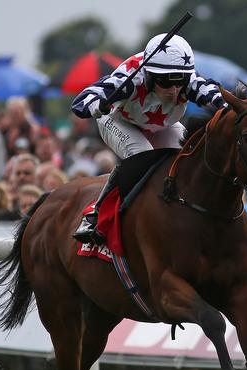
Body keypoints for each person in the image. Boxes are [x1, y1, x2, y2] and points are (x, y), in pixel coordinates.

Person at [71, 33, 225, 244]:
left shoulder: (184, 76)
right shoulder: (130, 78)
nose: (173, 90)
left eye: (179, 82)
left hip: (160, 125)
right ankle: (95, 216)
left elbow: (213, 93)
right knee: (142, 154)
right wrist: (98, 104)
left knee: (187, 156)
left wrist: (226, 104)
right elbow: (81, 101)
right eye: (165, 82)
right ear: (150, 75)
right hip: (117, 120)